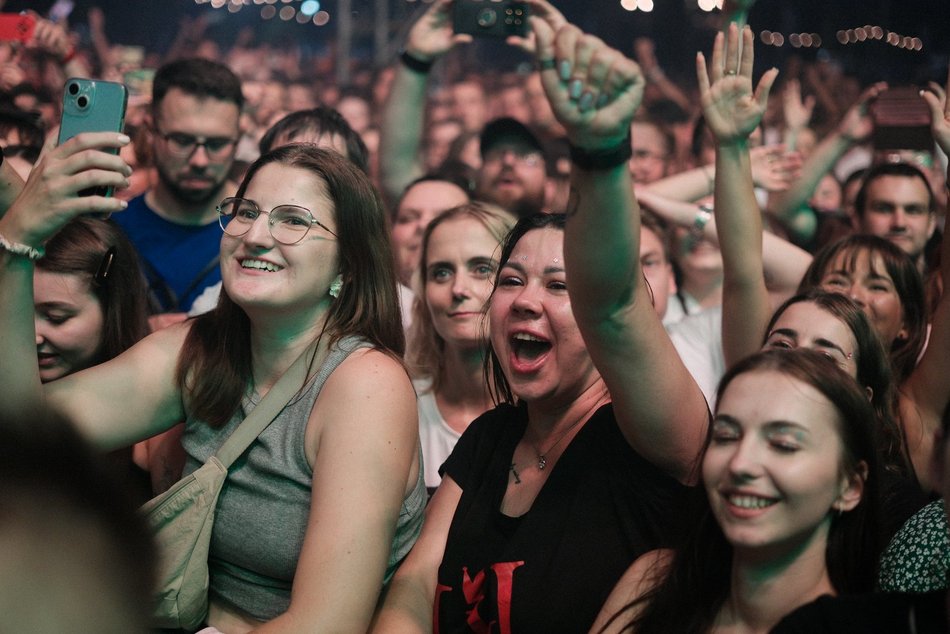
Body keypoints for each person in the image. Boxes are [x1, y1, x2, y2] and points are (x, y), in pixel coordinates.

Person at [0, 136, 425, 631]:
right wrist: (16, 248)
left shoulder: (364, 386)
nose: (255, 235)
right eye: (246, 212)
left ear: (347, 266)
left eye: (292, 220)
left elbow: (326, 623)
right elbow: (21, 432)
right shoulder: (201, 349)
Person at [373, 15, 708, 633]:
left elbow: (612, 304)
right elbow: (417, 582)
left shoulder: (651, 438)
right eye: (510, 280)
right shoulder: (490, 439)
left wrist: (601, 150)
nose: (526, 301)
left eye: (560, 285)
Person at [593, 348, 882, 634]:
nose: (740, 463)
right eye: (726, 436)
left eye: (783, 444)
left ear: (850, 485)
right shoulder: (652, 586)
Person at [112, 58, 243, 319]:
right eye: (182, 141)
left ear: (238, 138)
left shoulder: (261, 236)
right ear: (150, 132)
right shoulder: (112, 232)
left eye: (217, 144)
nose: (200, 161)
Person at [405, 201, 515, 492]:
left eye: (481, 269)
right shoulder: (399, 406)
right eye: (441, 273)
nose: (458, 289)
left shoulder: (548, 415)